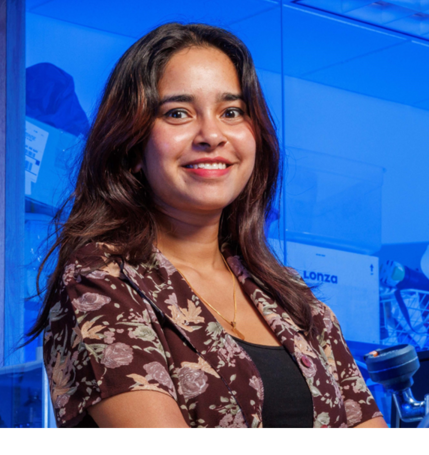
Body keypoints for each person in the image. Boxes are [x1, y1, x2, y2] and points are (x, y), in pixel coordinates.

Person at [27, 22, 386, 428]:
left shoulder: (294, 301)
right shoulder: (101, 282)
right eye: (178, 113)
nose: (212, 134)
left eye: (231, 112)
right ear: (132, 147)